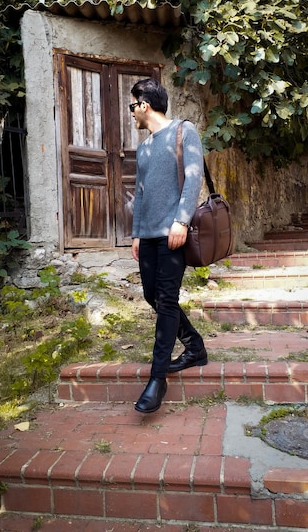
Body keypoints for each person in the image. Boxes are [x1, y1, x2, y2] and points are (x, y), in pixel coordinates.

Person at [130, 78, 207, 414]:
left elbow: (194, 176)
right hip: (146, 235)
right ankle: (194, 346)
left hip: (173, 232)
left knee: (166, 297)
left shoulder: (183, 130)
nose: (131, 112)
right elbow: (141, 192)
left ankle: (157, 379)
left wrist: (182, 220)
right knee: (152, 295)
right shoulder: (143, 147)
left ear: (144, 104)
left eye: (133, 106)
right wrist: (135, 232)